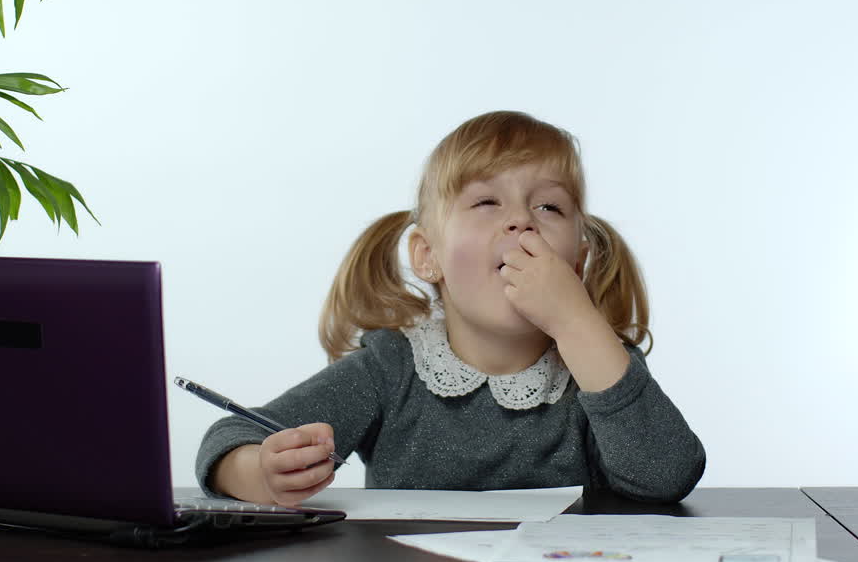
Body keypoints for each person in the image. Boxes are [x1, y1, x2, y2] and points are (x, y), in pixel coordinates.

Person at [196, 111, 705, 506]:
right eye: (487, 203)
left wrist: (576, 322)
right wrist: (262, 472)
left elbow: (667, 476)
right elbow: (232, 436)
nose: (521, 222)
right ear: (429, 256)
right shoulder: (390, 368)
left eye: (549, 207)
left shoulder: (599, 366)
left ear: (576, 262)